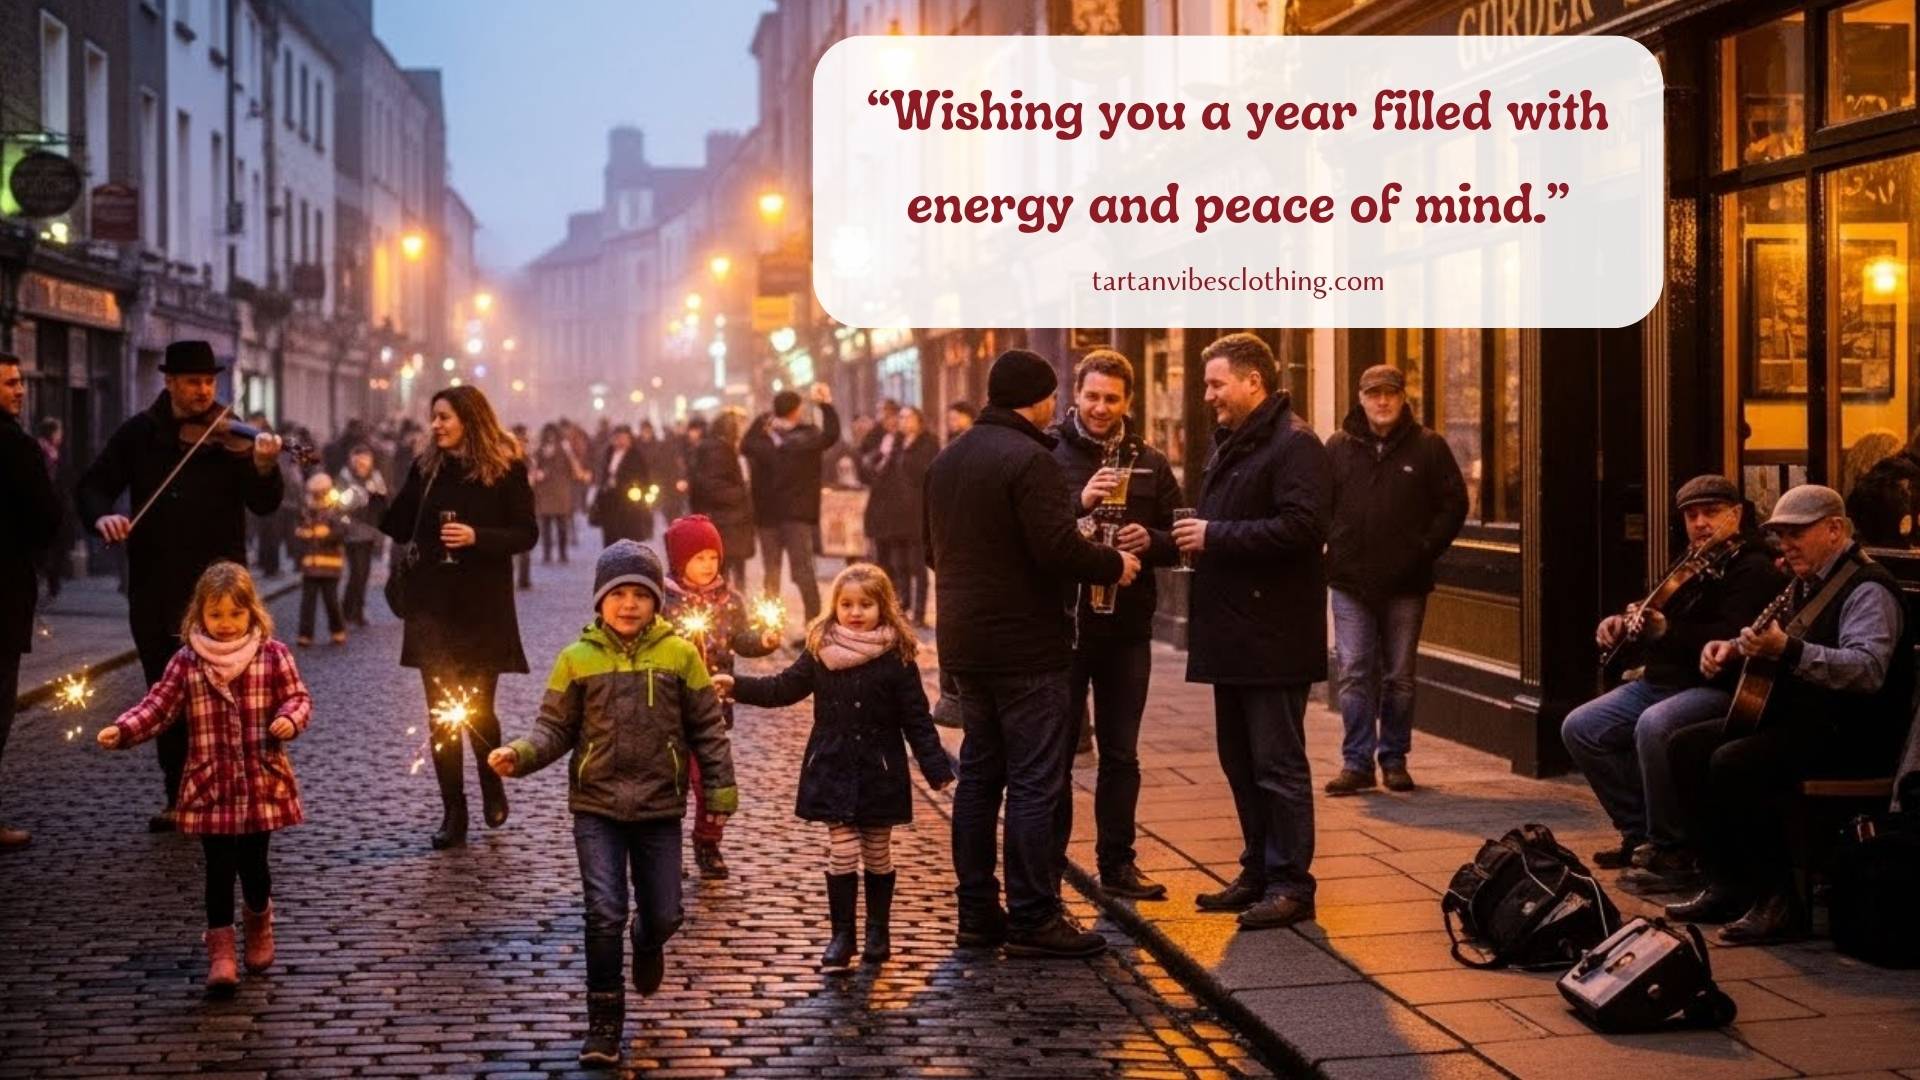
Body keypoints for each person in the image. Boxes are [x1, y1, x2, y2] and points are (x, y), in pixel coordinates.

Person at [486, 541, 735, 1068]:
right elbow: (554, 728)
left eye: (640, 594)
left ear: (656, 601)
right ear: (600, 600)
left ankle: (647, 940)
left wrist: (718, 790)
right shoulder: (575, 660)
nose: (629, 604)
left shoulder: (681, 655)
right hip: (596, 807)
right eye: (618, 594)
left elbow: (708, 729)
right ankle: (603, 1023)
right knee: (604, 912)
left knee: (664, 913)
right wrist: (520, 754)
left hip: (659, 808)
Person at [925, 348, 1140, 957]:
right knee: (1033, 782)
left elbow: (933, 552)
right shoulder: (1031, 459)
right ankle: (1033, 916)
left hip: (965, 646)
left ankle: (976, 913)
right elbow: (1056, 551)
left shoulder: (946, 460)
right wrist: (1113, 564)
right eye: (1053, 396)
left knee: (979, 779)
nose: (1055, 406)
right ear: (1040, 399)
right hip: (1026, 648)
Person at [1666, 485, 1914, 945]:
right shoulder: (1804, 582)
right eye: (1781, 534)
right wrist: (1731, 649)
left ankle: (1779, 901)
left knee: (1735, 762)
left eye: (1796, 533)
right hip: (1807, 723)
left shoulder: (1867, 589)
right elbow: (1767, 633)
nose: (1786, 545)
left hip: (1853, 734)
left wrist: (1791, 651)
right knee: (1685, 745)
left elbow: (1867, 670)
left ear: (1835, 529)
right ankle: (1728, 882)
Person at [76, 341, 286, 833]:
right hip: (156, 584)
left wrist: (264, 466)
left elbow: (264, 503)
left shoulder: (232, 435)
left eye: (209, 381)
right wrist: (103, 516)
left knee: (226, 694)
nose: (204, 391)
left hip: (221, 592)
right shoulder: (139, 434)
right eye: (193, 382)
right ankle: (178, 794)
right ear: (169, 382)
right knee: (166, 690)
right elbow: (93, 485)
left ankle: (231, 792)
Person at [715, 564, 955, 971]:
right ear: (835, 607)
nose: (855, 612)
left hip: (880, 768)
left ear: (883, 607)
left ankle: (877, 932)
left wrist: (936, 768)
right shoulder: (820, 649)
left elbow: (915, 717)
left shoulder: (896, 657)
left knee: (877, 851)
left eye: (865, 604)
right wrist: (737, 685)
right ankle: (842, 935)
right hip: (833, 764)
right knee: (842, 849)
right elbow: (782, 688)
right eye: (847, 604)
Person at [96, 562, 312, 994]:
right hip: (211, 784)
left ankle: (259, 924)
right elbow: (159, 705)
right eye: (216, 615)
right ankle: (222, 953)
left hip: (260, 781)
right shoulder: (187, 661)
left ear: (251, 612)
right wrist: (124, 729)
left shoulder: (273, 654)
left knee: (254, 866)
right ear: (200, 614)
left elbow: (297, 697)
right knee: (218, 869)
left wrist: (290, 718)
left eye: (235, 613)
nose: (226, 624)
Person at [1177, 333, 1330, 932]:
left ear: (1253, 382)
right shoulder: (1235, 442)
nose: (1208, 395)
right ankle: (1258, 871)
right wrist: (1168, 541)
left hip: (1273, 637)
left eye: (1217, 384)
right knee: (1240, 763)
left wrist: (1214, 536)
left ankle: (1292, 884)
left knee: (1277, 765)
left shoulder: (1295, 444)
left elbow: (1302, 528)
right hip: (1232, 635)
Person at [1561, 476, 1783, 887]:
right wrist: (1623, 623)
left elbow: (1731, 638)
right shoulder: (1689, 562)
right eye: (1691, 515)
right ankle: (1638, 833)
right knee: (1581, 727)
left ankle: (1673, 848)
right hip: (1661, 681)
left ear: (1736, 514)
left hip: (1714, 687)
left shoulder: (1753, 567)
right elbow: (1653, 612)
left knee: (1655, 725)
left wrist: (1667, 631)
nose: (1700, 523)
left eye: (1711, 513)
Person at [379, 386, 538, 849]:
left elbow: (526, 533)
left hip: (482, 608)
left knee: (479, 710)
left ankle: (491, 781)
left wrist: (477, 537)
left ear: (470, 419)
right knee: (442, 716)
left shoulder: (505, 468)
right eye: (434, 417)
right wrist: (360, 497)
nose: (436, 425)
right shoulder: (427, 467)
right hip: (431, 608)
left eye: (445, 417)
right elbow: (398, 525)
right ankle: (454, 810)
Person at [1049, 349, 1181, 900]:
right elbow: (1031, 532)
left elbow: (1180, 535)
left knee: (1121, 754)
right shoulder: (1049, 454)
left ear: (1128, 401)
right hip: (1063, 628)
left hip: (1126, 628)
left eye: (1112, 398)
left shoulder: (1149, 460)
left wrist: (1153, 541)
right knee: (1055, 756)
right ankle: (1048, 869)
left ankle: (1118, 864)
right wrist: (1078, 507)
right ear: (1075, 395)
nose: (1100, 408)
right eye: (1092, 396)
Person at [1323, 365, 1468, 795]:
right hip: (1350, 581)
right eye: (1374, 394)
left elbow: (1454, 504)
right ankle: (1356, 763)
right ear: (1361, 398)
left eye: (1390, 393)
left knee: (1399, 676)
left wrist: (1423, 549)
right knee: (1353, 670)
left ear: (1404, 398)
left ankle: (1394, 759)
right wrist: (1335, 543)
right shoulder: (1338, 446)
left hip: (1406, 583)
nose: (1382, 401)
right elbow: (1318, 501)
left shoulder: (1428, 447)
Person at [660, 513, 780, 879]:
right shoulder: (664, 601)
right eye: (699, 558)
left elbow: (740, 640)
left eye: (713, 557)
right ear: (680, 561)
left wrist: (763, 641)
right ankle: (664, 852)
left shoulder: (730, 600)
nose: (708, 565)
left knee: (712, 781)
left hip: (714, 710)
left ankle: (708, 842)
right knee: (670, 783)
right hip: (670, 711)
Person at [1, 352, 61, 849]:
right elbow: (45, 517)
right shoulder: (17, 447)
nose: (19, 390)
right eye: (9, 383)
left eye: (19, 381)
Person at [742, 383, 841, 629]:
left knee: (775, 572)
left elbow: (745, 444)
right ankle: (812, 624)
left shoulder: (765, 440)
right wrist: (825, 405)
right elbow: (831, 435)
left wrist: (763, 420)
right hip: (795, 515)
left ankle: (772, 625)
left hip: (771, 515)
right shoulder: (808, 438)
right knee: (801, 571)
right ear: (796, 410)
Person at [860, 405, 939, 626]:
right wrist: (884, 454)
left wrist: (902, 455)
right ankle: (903, 606)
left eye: (907, 417)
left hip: (916, 511)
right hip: (895, 513)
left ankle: (920, 612)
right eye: (901, 417)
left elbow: (922, 471)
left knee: (918, 565)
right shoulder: (895, 443)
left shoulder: (928, 443)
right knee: (899, 563)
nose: (903, 421)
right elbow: (878, 474)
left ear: (919, 420)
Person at [687, 412, 756, 591]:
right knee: (724, 568)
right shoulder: (718, 451)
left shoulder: (720, 448)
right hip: (726, 519)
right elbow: (715, 487)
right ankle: (728, 603)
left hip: (727, 518)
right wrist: (741, 494)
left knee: (727, 567)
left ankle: (730, 601)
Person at [293, 473, 350, 647]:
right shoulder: (306, 510)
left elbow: (342, 531)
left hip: (330, 564)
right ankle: (305, 635)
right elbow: (300, 531)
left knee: (331, 601)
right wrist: (303, 534)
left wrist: (327, 535)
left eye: (320, 491)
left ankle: (338, 630)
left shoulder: (336, 509)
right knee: (307, 603)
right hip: (311, 564)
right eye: (315, 492)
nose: (317, 495)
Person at [336, 444, 389, 627]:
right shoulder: (345, 477)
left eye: (365, 461)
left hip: (369, 531)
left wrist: (375, 495)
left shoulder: (376, 477)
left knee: (362, 573)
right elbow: (340, 504)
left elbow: (382, 503)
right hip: (351, 530)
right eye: (358, 461)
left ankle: (352, 610)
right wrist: (359, 495)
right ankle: (352, 611)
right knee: (357, 572)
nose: (362, 465)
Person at [532, 422, 587, 565]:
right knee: (548, 526)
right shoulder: (540, 451)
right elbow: (533, 468)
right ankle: (549, 554)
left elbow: (574, 470)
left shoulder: (563, 450)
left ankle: (560, 554)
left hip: (559, 492)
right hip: (548, 492)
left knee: (559, 526)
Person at [592, 424, 653, 548]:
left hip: (627, 499)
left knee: (626, 533)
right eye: (618, 438)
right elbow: (602, 473)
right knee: (609, 533)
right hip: (609, 497)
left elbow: (644, 476)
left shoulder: (635, 455)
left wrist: (638, 489)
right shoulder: (608, 453)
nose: (621, 441)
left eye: (624, 438)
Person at [35, 417, 72, 600]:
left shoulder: (53, 453)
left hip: (53, 507)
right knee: (50, 548)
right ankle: (50, 584)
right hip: (46, 508)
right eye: (58, 432)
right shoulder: (44, 453)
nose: (60, 436)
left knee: (54, 547)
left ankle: (52, 584)